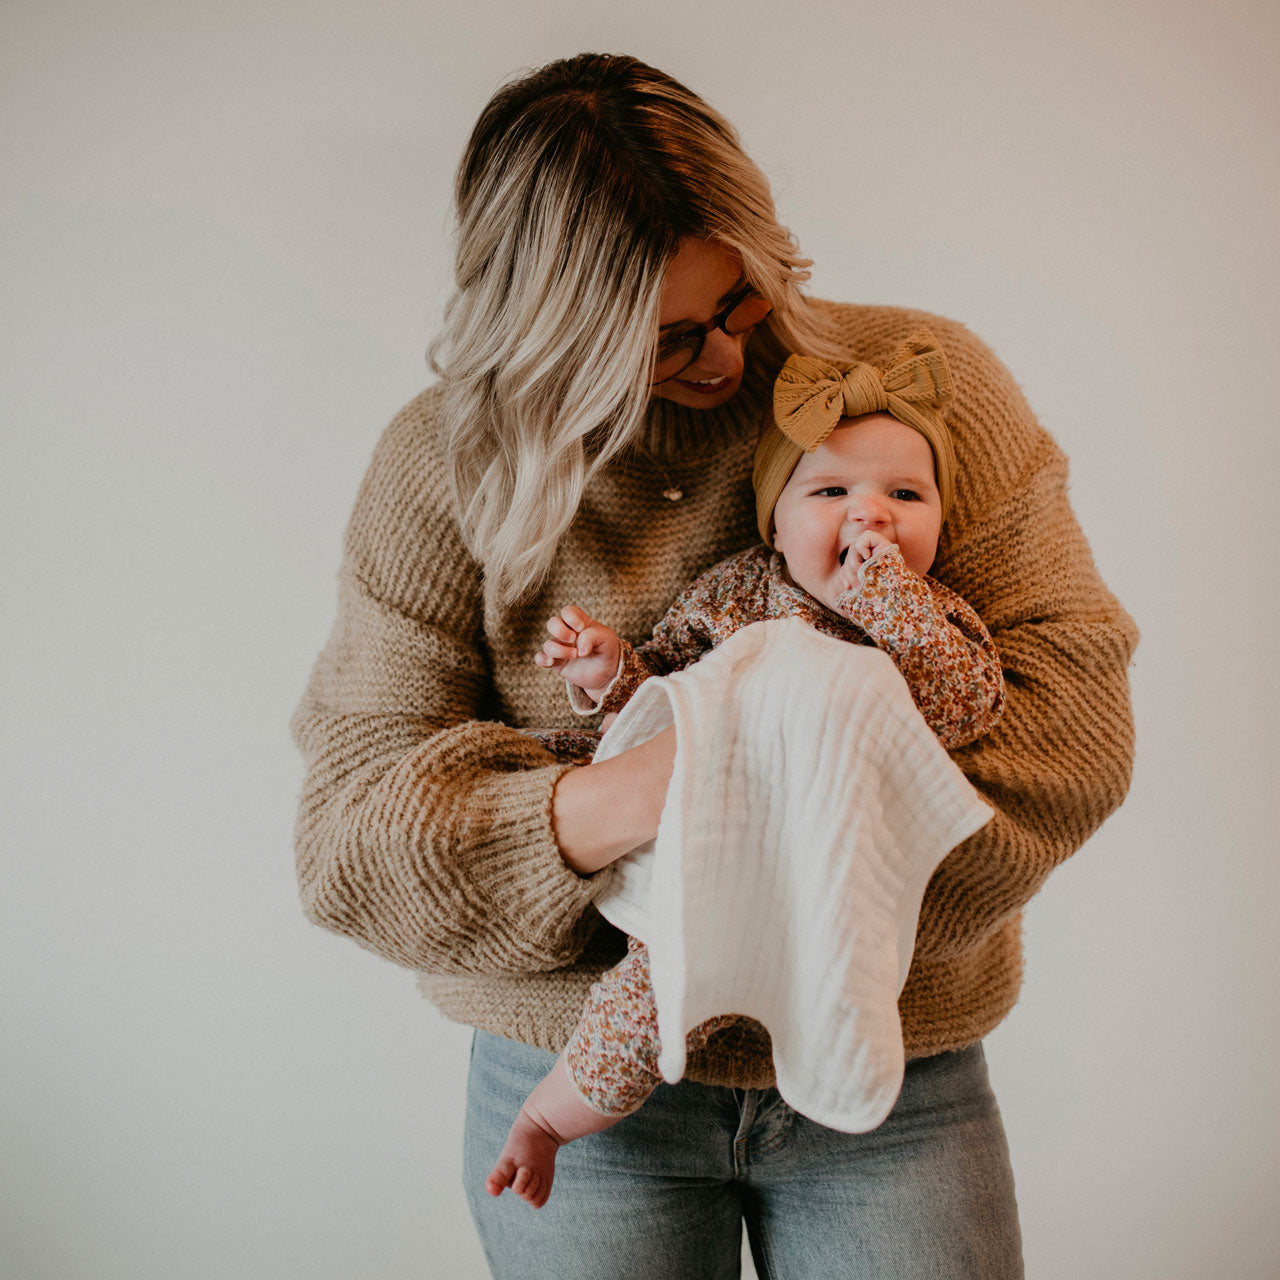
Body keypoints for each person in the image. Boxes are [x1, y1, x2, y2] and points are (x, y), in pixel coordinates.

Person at [290, 52, 1138, 1279]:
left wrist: (827, 917)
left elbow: (1069, 723)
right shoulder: (438, 472)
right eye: (665, 336)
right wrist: (659, 786)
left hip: (888, 1063)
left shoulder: (909, 396)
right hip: (579, 1078)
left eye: (742, 301)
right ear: (544, 336)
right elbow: (354, 840)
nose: (725, 362)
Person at [486, 332, 1008, 1209]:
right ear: (774, 519)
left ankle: (840, 1085)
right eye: (833, 491)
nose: (869, 515)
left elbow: (962, 706)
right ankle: (546, 1119)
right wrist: (611, 673)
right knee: (640, 1007)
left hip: (832, 871)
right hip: (715, 853)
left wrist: (889, 602)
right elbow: (671, 697)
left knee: (844, 987)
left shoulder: (933, 619)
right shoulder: (740, 593)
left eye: (904, 496)